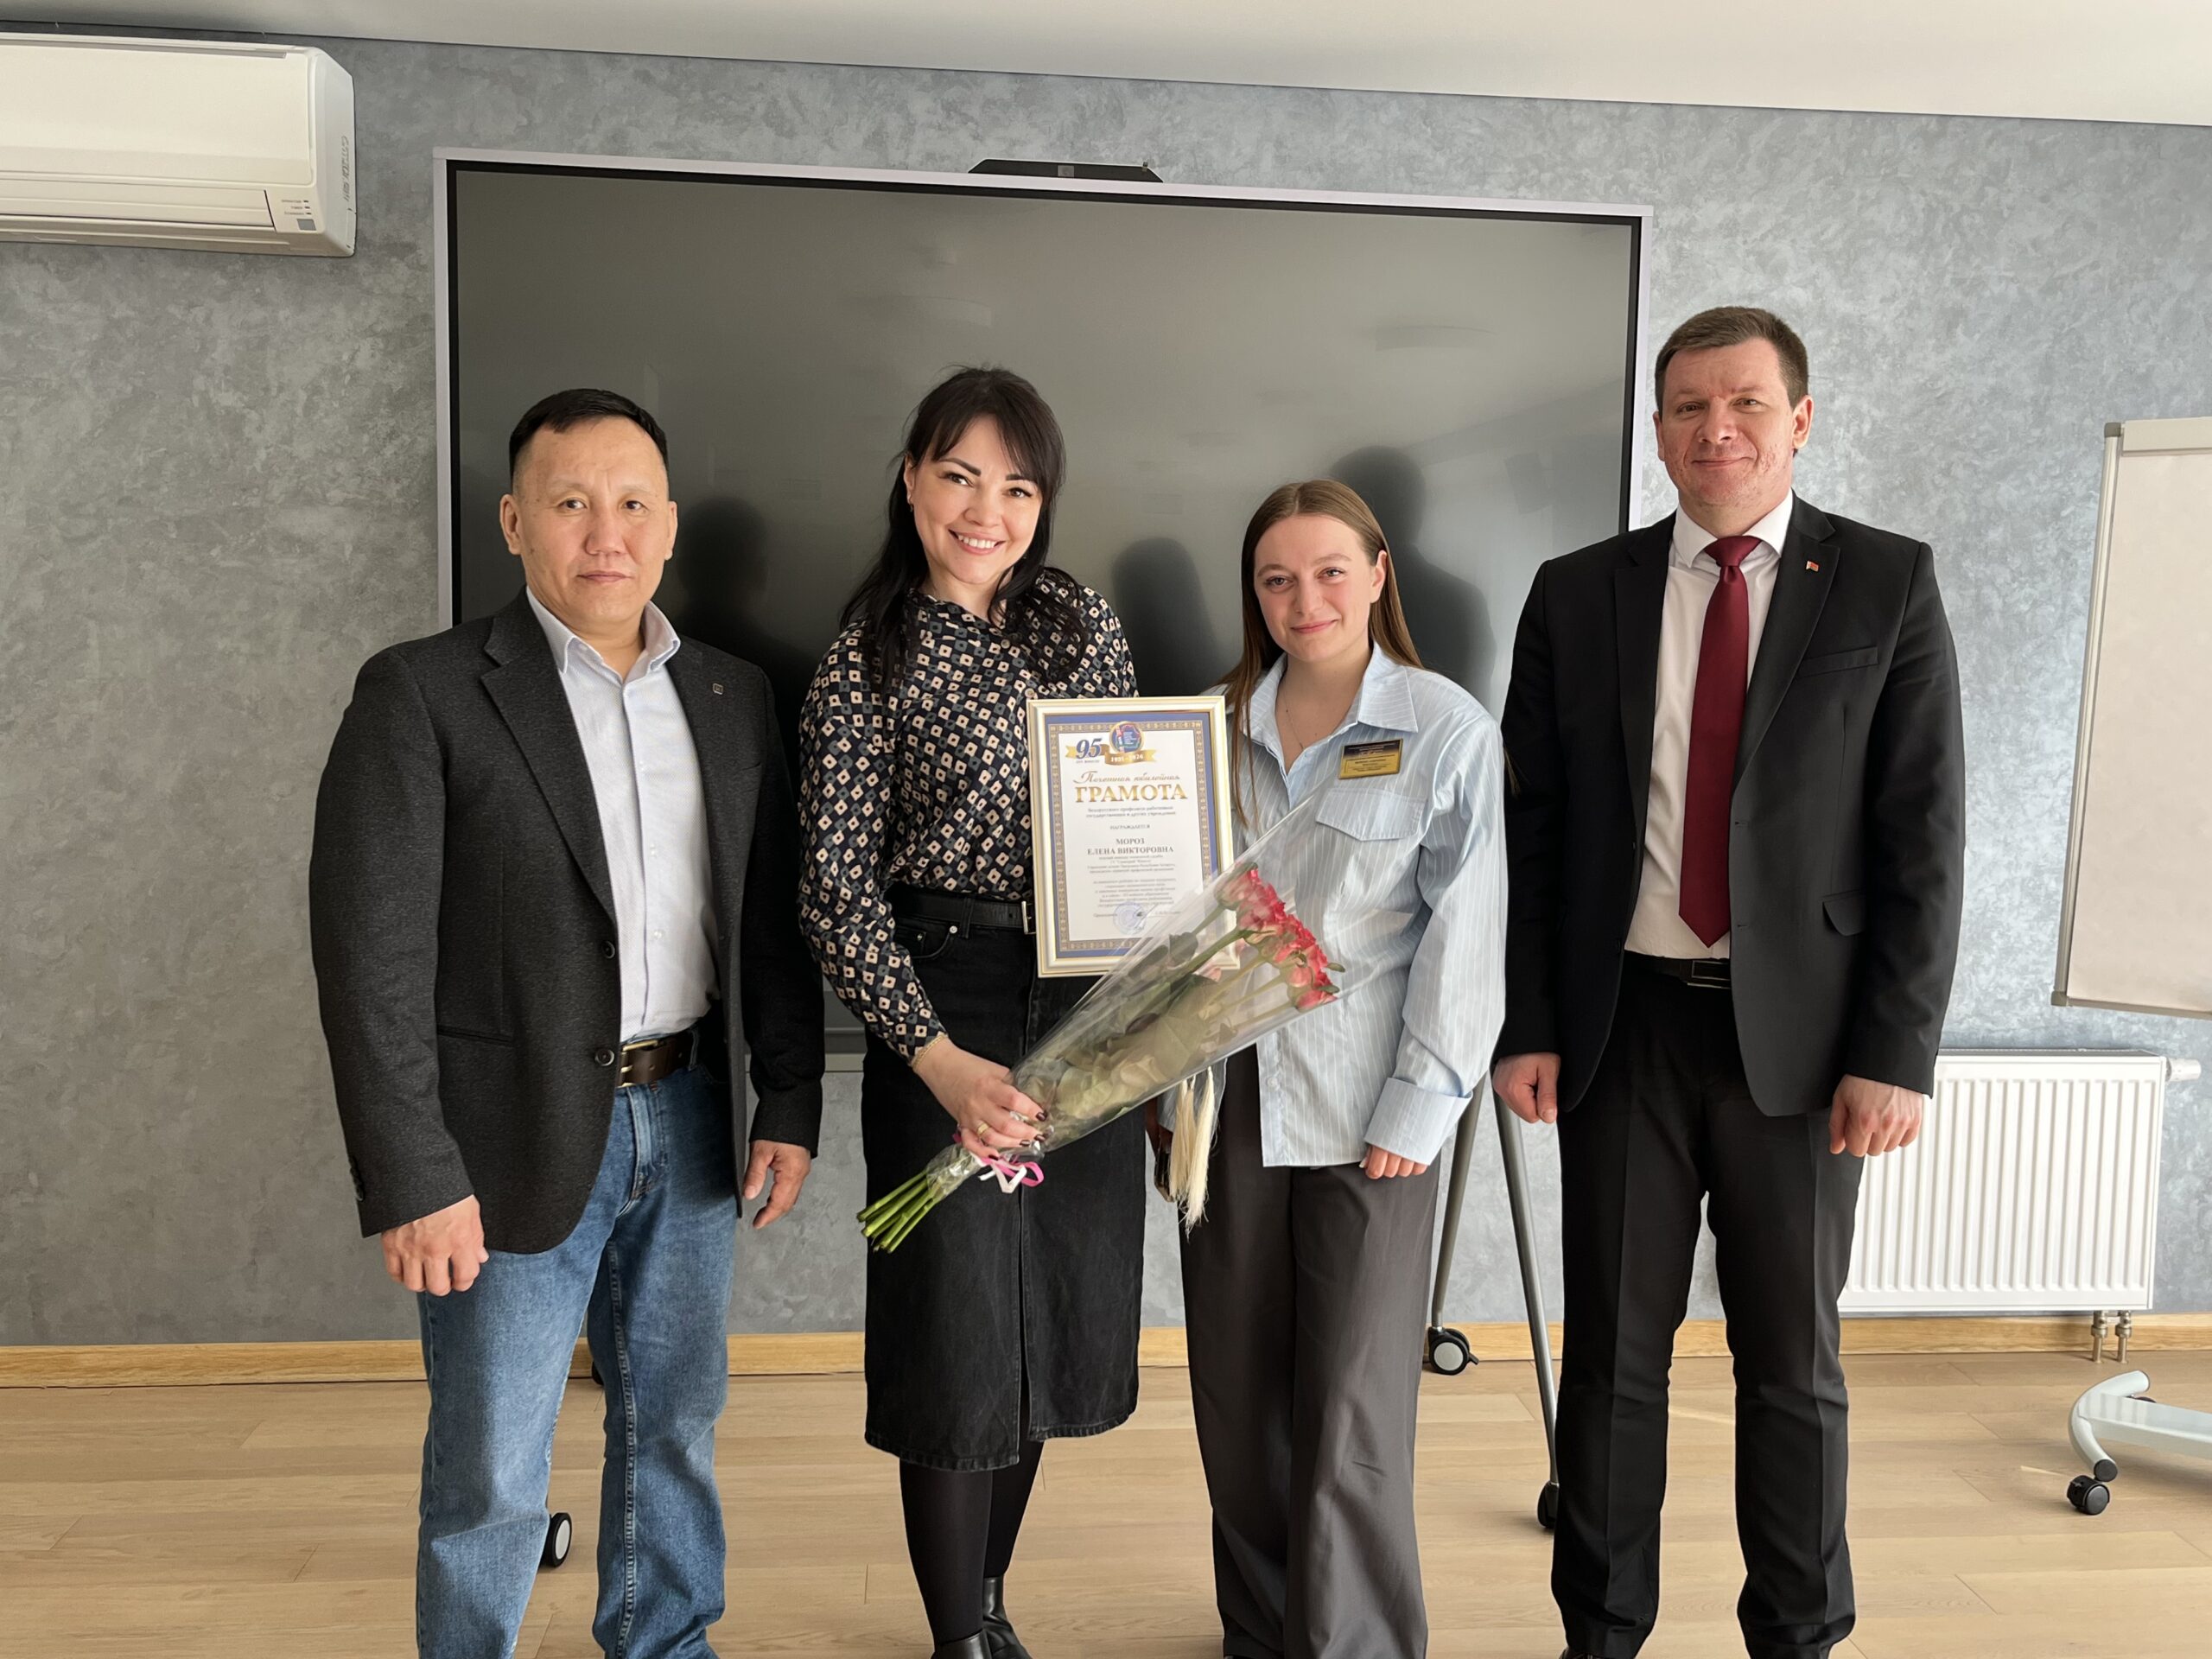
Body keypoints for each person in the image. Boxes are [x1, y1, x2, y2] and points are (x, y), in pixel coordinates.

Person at [309, 388, 825, 1659]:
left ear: (669, 526)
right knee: (493, 1459)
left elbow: (768, 923)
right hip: (501, 1138)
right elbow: (369, 959)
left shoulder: (732, 696)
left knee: (674, 1426)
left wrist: (789, 1099)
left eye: (633, 502)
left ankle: (666, 1643)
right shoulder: (423, 693)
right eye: (572, 502)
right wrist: (413, 1174)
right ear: (514, 522)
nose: (607, 531)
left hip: (693, 1118)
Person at [1492, 307, 1966, 1659]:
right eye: (1690, 407)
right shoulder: (1576, 591)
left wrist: (1896, 1052)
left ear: (1799, 420)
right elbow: (1533, 830)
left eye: (1747, 403)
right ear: (1657, 431)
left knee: (1794, 1367)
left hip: (1808, 1050)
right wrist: (1527, 1023)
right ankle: (1600, 1633)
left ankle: (1801, 1635)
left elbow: (1924, 835)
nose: (1719, 430)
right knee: (1612, 1364)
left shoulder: (1884, 581)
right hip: (1621, 1029)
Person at [798, 366, 1147, 1659]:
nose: (985, 511)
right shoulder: (865, 657)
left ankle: (990, 1604)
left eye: (1017, 487)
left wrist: (1148, 1022)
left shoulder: (1078, 620)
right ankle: (954, 1639)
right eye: (958, 477)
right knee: (955, 1332)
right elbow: (834, 894)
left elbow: (1135, 812)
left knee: (1048, 1315)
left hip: (1081, 999)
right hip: (940, 1003)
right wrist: (938, 1062)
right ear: (910, 481)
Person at [1156, 479, 1506, 1659]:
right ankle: (1262, 1634)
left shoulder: (1445, 728)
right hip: (1224, 1105)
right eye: (1276, 579)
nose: (1304, 599)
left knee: (1352, 1407)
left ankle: (1354, 1645)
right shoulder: (1204, 729)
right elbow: (1158, 925)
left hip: (1370, 1112)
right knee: (1237, 1393)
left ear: (1378, 573)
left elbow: (1468, 933)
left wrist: (1423, 1101)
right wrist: (1153, 1079)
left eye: (1328, 572)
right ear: (1253, 594)